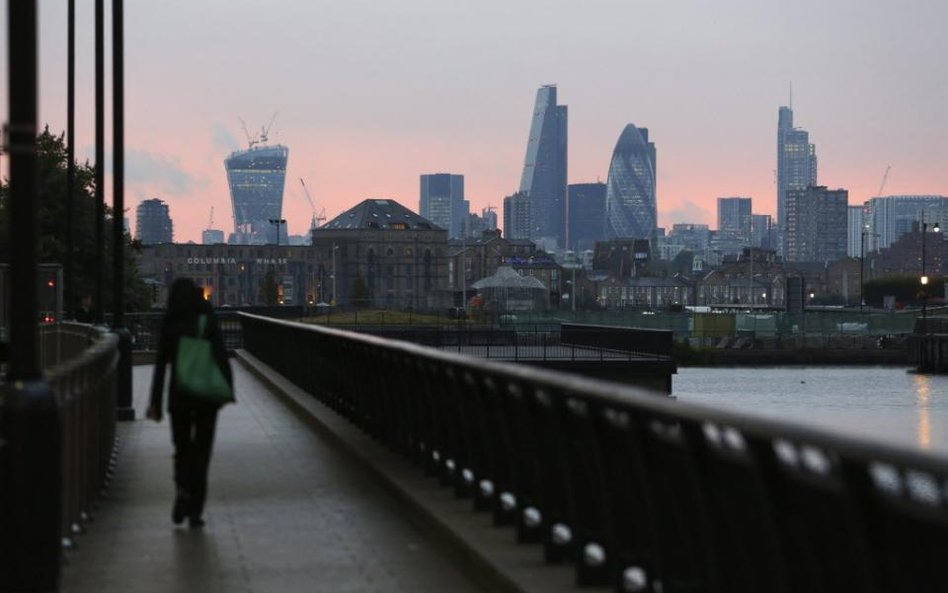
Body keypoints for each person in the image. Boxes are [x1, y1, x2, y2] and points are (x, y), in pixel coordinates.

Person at [147, 278, 233, 528]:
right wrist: (227, 389)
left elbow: (161, 367)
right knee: (202, 451)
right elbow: (220, 355)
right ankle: (196, 509)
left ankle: (182, 489)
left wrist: (155, 402)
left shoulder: (170, 323)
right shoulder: (206, 319)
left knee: (182, 448)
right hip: (206, 395)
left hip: (179, 395)